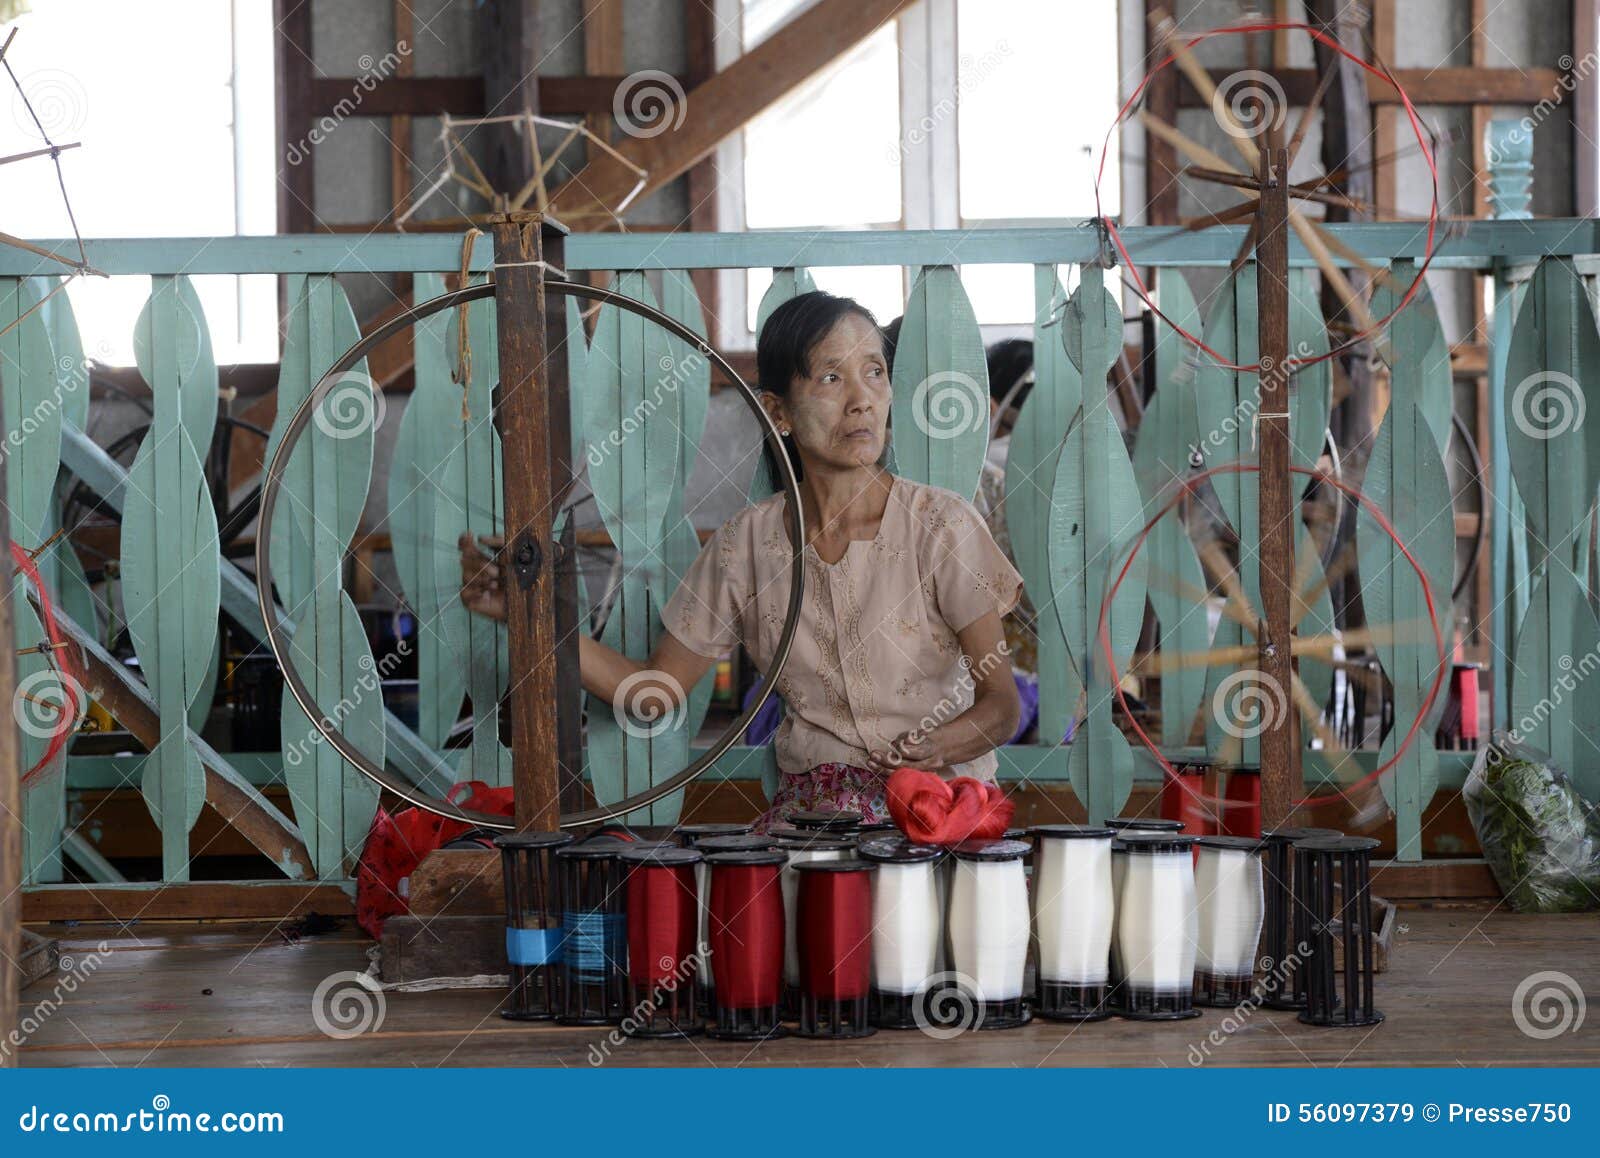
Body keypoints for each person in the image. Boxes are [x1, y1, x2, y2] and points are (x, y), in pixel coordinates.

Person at [460, 291, 1023, 826]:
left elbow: (1002, 706)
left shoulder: (942, 526)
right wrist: (526, 619)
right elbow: (656, 692)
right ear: (777, 410)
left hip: (937, 814)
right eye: (831, 377)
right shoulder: (745, 546)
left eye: (874, 372)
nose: (862, 399)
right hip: (815, 824)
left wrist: (935, 747)